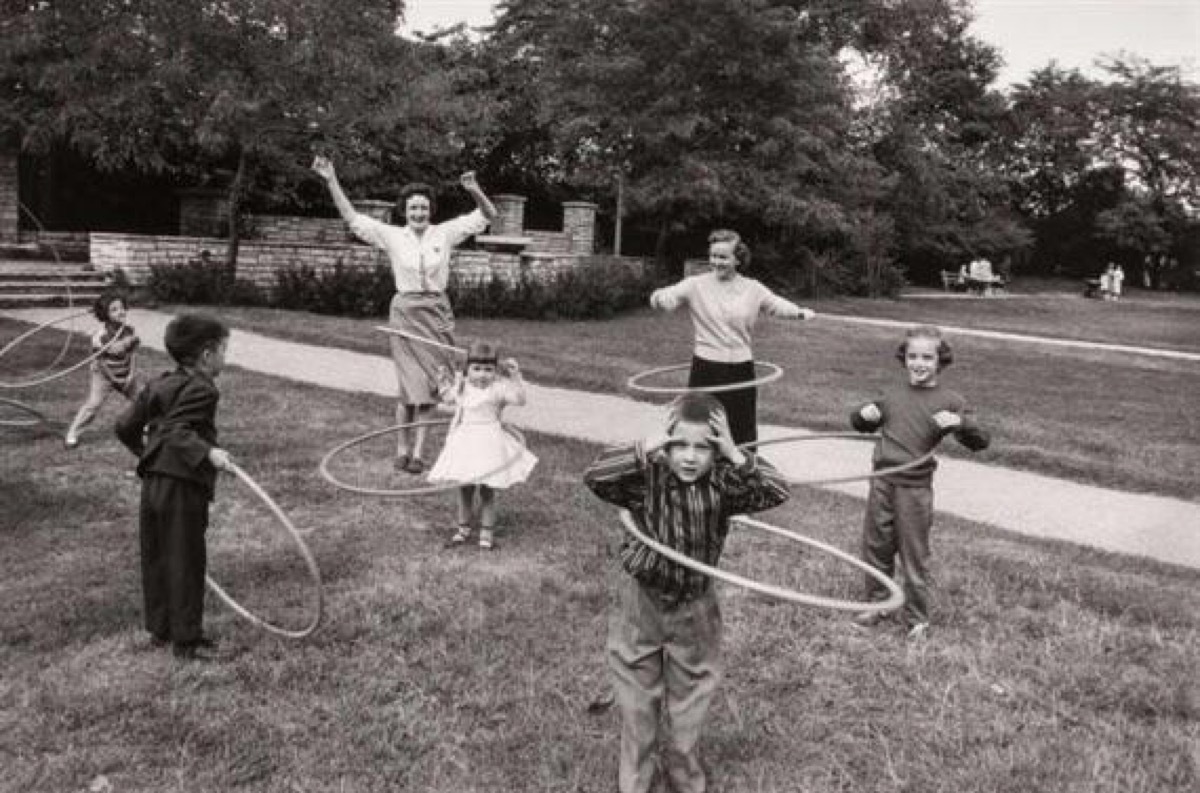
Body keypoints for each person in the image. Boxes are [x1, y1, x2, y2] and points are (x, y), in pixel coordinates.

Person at [583, 394, 790, 793]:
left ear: (717, 452)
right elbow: (596, 476)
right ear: (665, 444)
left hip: (696, 605)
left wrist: (737, 453)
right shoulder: (647, 479)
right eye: (680, 445)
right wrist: (646, 447)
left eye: (704, 447)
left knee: (691, 700)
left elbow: (777, 491)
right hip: (642, 600)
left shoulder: (724, 486)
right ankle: (635, 782)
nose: (690, 457)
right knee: (636, 700)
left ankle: (685, 777)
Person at [312, 155, 497, 474]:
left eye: (423, 207)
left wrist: (474, 189)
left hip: (437, 314)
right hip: (406, 314)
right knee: (409, 386)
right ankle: (401, 448)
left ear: (431, 210)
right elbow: (352, 218)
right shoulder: (392, 236)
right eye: (413, 208)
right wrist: (331, 179)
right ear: (404, 211)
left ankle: (420, 454)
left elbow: (488, 215)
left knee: (430, 387)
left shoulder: (446, 233)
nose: (419, 213)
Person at [849, 325, 990, 640]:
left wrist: (960, 423)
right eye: (913, 356)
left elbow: (981, 441)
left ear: (941, 360)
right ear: (904, 358)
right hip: (882, 482)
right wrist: (864, 414)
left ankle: (917, 618)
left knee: (913, 551)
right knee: (876, 546)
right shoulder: (891, 395)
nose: (919, 363)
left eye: (927, 357)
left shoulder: (950, 400)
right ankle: (878, 604)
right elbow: (857, 422)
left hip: (914, 488)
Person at [114, 313, 233, 661]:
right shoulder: (203, 389)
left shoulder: (159, 384)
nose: (226, 357)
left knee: (157, 555)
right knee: (185, 559)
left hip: (153, 484)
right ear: (208, 355)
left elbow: (124, 426)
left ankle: (161, 629)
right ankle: (186, 642)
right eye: (225, 350)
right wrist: (209, 452)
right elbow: (176, 430)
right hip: (182, 486)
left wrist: (146, 455)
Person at [649, 229, 814, 445]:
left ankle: (740, 473)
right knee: (699, 427)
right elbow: (667, 296)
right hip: (706, 369)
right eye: (713, 256)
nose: (716, 262)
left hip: (741, 370)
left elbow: (776, 305)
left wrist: (800, 313)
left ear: (737, 259)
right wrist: (659, 298)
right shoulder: (695, 284)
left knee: (741, 428)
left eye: (723, 257)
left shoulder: (752, 288)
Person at [429, 341, 537, 550]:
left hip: (489, 442)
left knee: (488, 488)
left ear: (495, 371)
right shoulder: (462, 386)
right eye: (476, 369)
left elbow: (520, 400)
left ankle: (486, 532)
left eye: (488, 369)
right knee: (464, 487)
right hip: (465, 441)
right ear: (467, 369)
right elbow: (448, 398)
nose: (482, 375)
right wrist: (442, 381)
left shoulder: (498, 389)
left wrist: (516, 377)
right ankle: (463, 528)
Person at [64, 289, 144, 448]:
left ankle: (148, 428)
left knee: (142, 400)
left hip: (125, 371)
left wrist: (130, 376)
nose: (120, 311)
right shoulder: (100, 336)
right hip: (104, 374)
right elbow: (100, 362)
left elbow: (133, 354)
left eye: (121, 307)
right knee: (93, 404)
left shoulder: (129, 331)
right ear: (105, 314)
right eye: (114, 309)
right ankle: (73, 433)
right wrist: (114, 379)